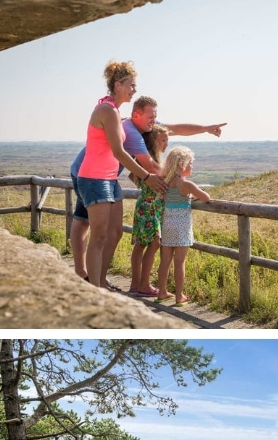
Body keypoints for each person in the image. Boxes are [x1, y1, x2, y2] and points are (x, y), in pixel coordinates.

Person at [69, 94, 226, 283]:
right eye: (150, 117)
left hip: (98, 174)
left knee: (87, 223)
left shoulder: (145, 125)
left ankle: (90, 277)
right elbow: (150, 166)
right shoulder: (131, 130)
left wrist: (206, 129)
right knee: (88, 224)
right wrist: (177, 180)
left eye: (155, 116)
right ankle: (87, 276)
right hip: (88, 174)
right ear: (136, 115)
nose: (154, 120)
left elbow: (176, 129)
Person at [77, 63, 161, 290]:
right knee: (99, 236)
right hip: (95, 179)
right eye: (131, 85)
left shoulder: (114, 110)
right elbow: (118, 151)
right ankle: (95, 290)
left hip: (110, 179)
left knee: (114, 233)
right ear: (118, 84)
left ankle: (101, 280)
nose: (134, 90)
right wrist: (146, 176)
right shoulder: (107, 111)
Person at [155, 146, 211, 304]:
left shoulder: (166, 183)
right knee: (179, 262)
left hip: (168, 225)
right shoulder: (186, 185)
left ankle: (162, 292)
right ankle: (179, 296)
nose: (192, 166)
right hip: (181, 227)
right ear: (182, 164)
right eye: (190, 163)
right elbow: (206, 197)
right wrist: (192, 196)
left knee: (165, 261)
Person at [128, 126, 170, 295]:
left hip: (144, 204)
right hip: (151, 205)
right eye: (163, 140)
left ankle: (135, 285)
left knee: (141, 244)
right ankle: (144, 284)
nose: (166, 144)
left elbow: (133, 176)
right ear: (153, 142)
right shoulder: (151, 163)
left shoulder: (143, 160)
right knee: (154, 243)